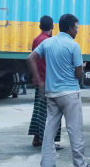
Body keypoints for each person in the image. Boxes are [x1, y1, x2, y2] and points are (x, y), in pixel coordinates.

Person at [27, 14, 90, 167]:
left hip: (52, 94)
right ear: (70, 28)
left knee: (49, 130)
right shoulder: (73, 46)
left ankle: (47, 163)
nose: (77, 31)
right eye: (76, 28)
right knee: (75, 130)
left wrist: (38, 80)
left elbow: (30, 58)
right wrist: (81, 68)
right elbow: (78, 74)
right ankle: (80, 163)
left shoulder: (48, 43)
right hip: (70, 94)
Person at [28, 16, 63, 150]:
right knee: (50, 113)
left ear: (40, 26)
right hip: (47, 81)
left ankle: (36, 138)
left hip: (38, 80)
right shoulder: (49, 41)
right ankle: (47, 142)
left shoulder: (36, 39)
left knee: (38, 111)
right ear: (52, 27)